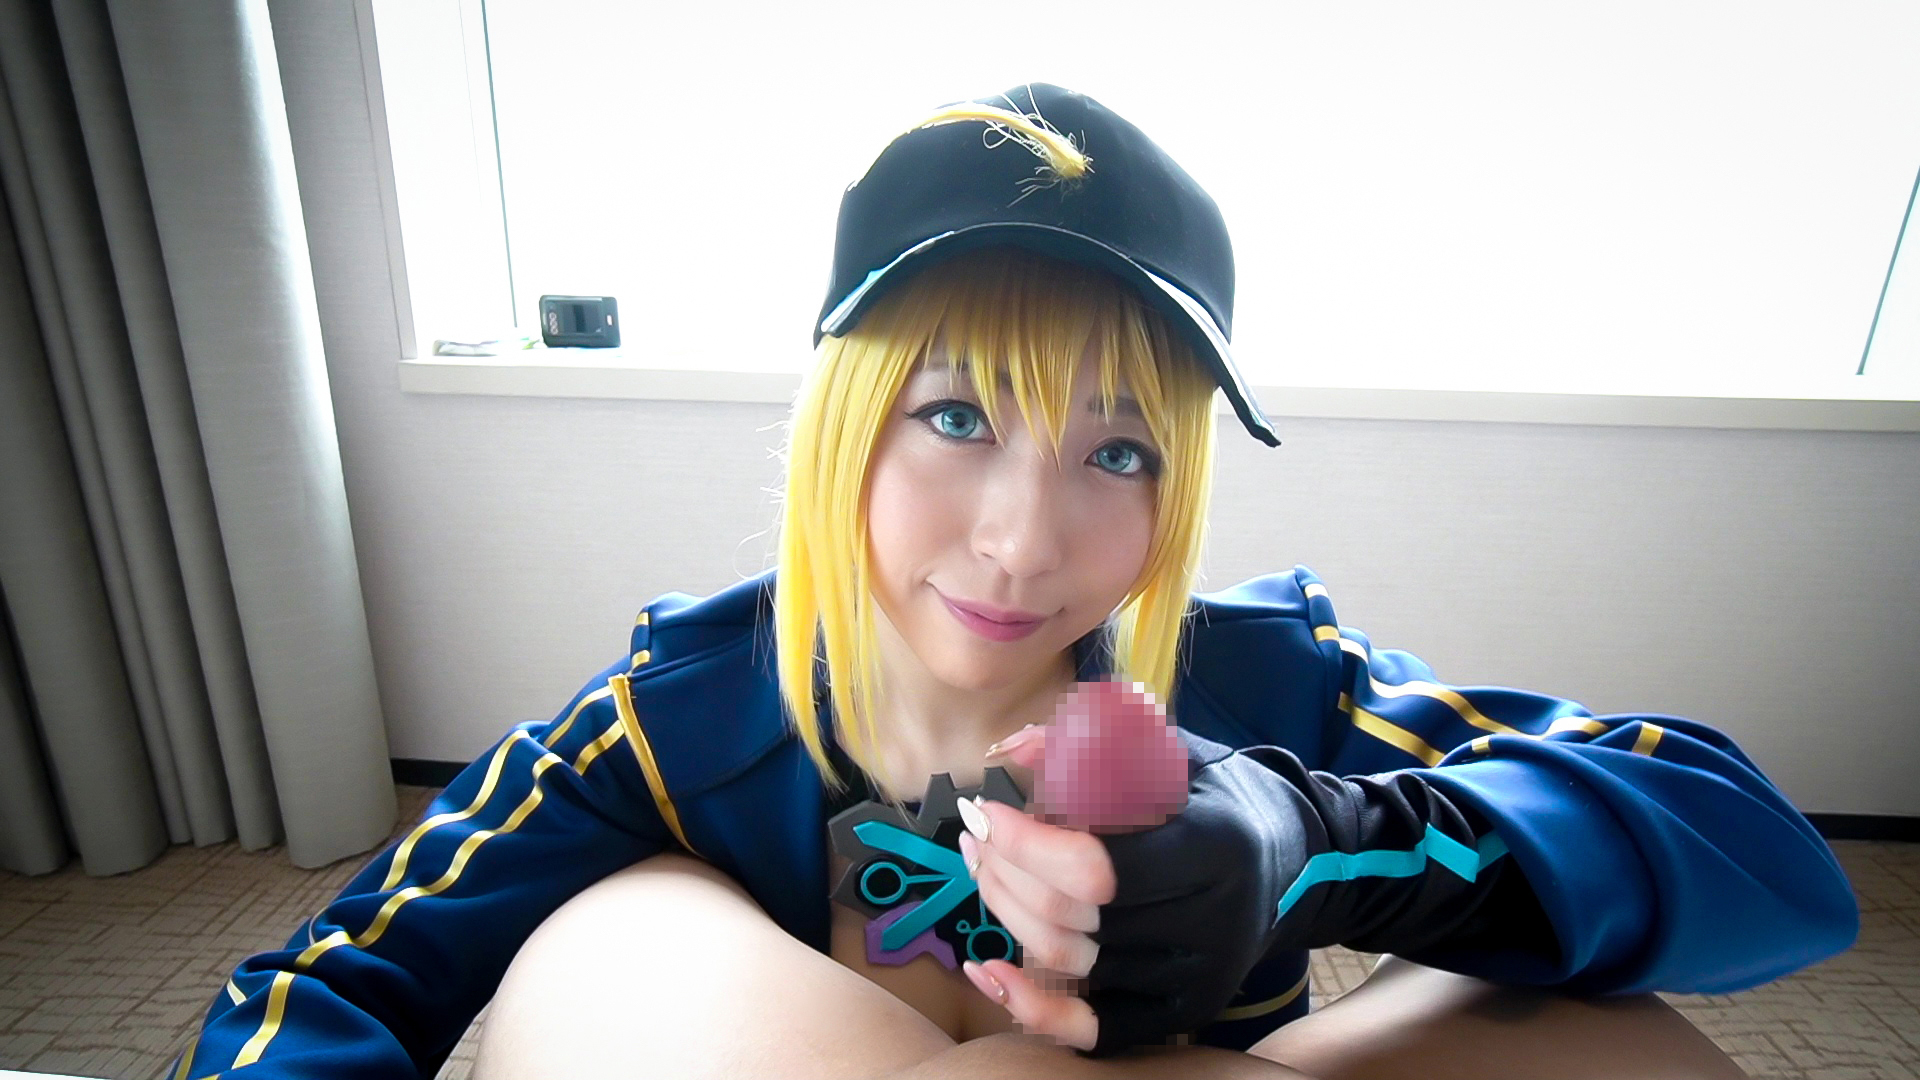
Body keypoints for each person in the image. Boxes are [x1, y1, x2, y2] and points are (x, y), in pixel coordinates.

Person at [171, 83, 1858, 1080]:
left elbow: (1754, 850)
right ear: (842, 422)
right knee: (612, 939)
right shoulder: (674, 722)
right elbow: (334, 982)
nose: (1024, 541)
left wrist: (1325, 841)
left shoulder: (1268, 682)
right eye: (959, 418)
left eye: (1118, 453)